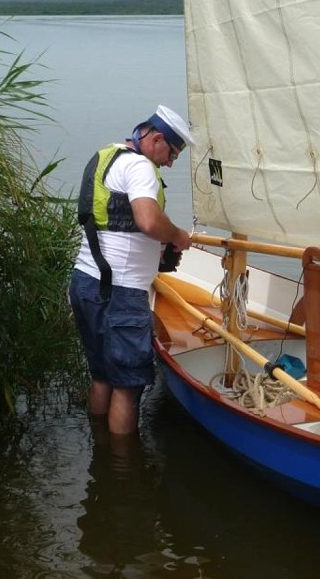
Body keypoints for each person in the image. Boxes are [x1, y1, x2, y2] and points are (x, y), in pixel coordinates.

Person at [69, 105, 194, 434]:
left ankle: (101, 452)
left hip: (86, 282)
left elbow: (116, 223)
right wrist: (178, 236)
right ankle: (124, 471)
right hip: (120, 294)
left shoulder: (108, 155)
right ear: (155, 138)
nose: (169, 162)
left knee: (102, 377)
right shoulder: (139, 166)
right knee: (128, 386)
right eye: (172, 153)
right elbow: (148, 220)